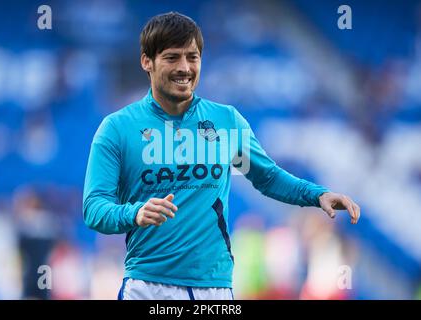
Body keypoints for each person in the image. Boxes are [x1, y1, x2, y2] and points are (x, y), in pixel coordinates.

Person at [83, 12, 360, 300]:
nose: (185, 68)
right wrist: (134, 213)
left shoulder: (226, 122)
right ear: (146, 62)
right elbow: (94, 207)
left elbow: (266, 177)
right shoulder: (118, 128)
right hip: (148, 288)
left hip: (213, 291)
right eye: (172, 57)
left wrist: (316, 195)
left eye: (193, 57)